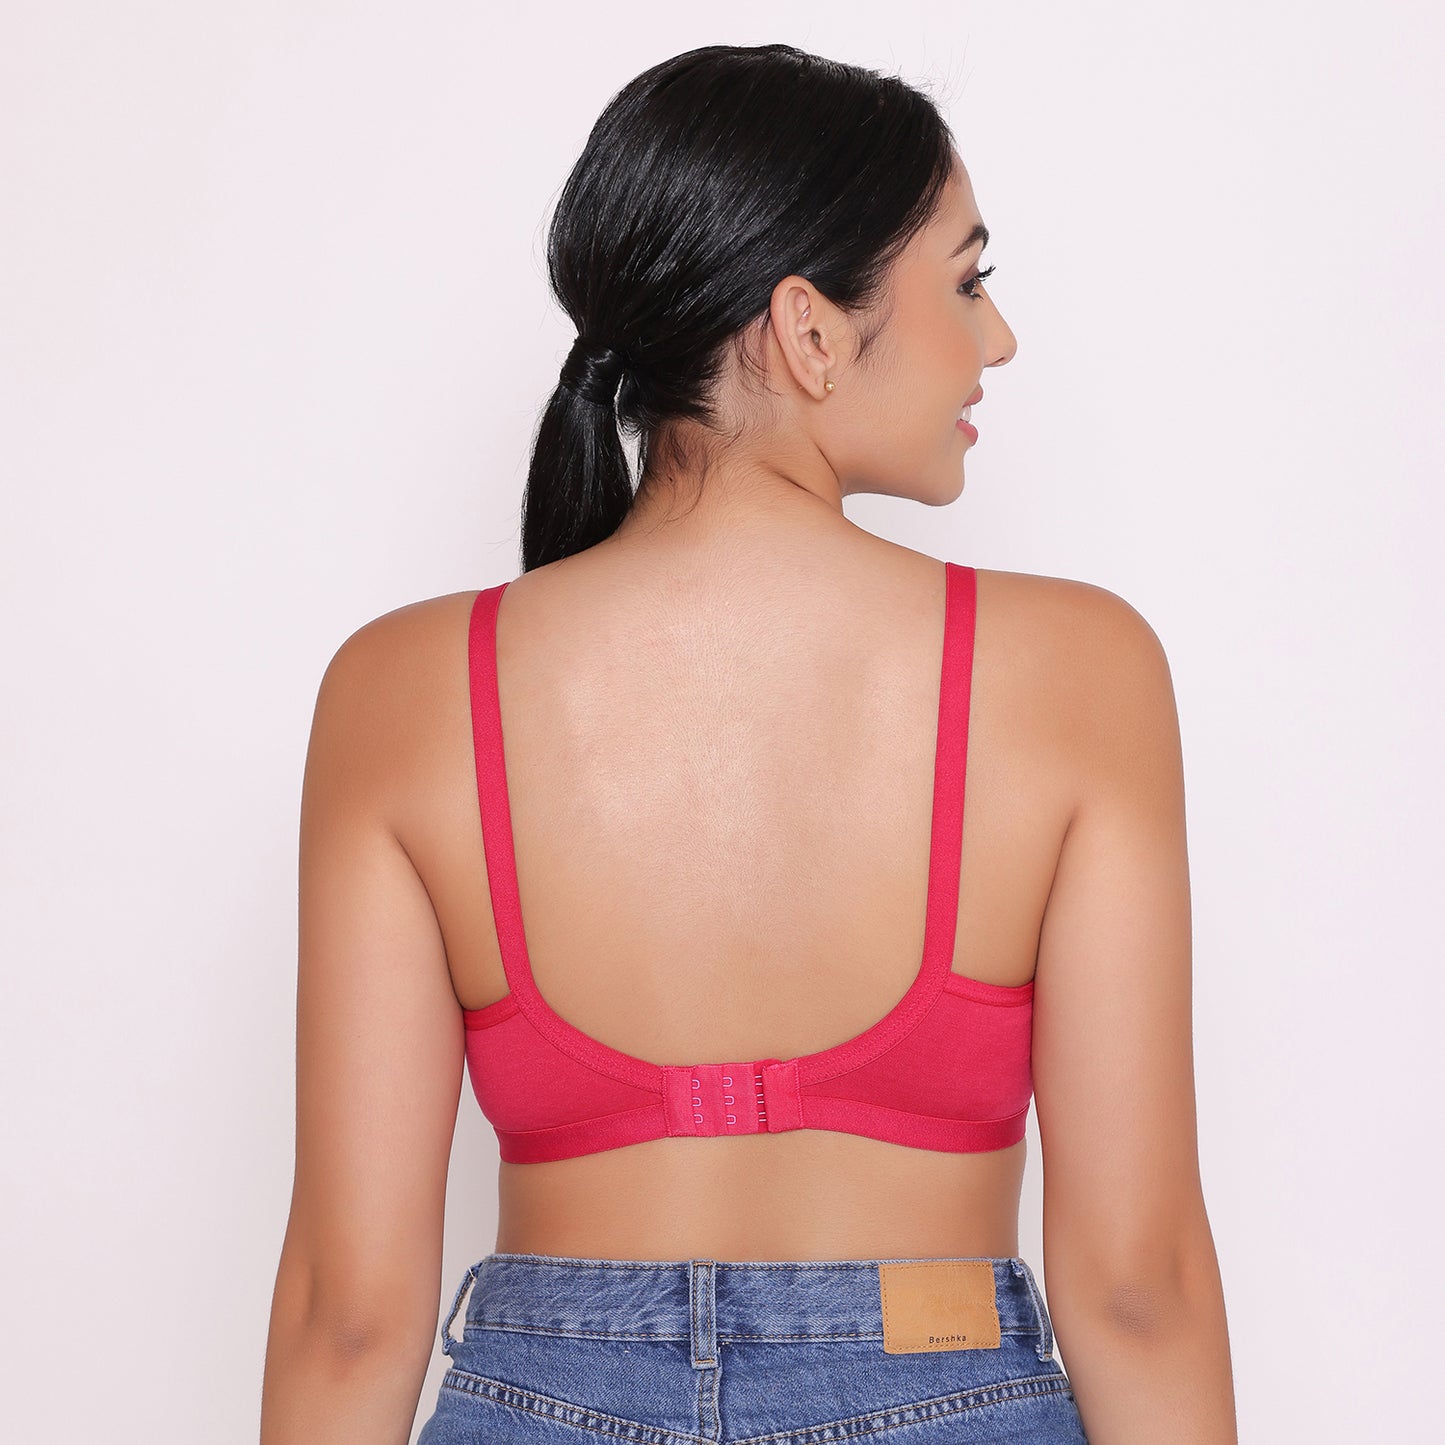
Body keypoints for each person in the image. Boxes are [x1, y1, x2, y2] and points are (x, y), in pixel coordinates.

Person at [259, 42, 1236, 1445]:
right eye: (967, 282)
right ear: (808, 330)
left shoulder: (400, 690)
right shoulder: (1076, 670)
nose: (1000, 339)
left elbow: (349, 1316)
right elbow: (1136, 1290)